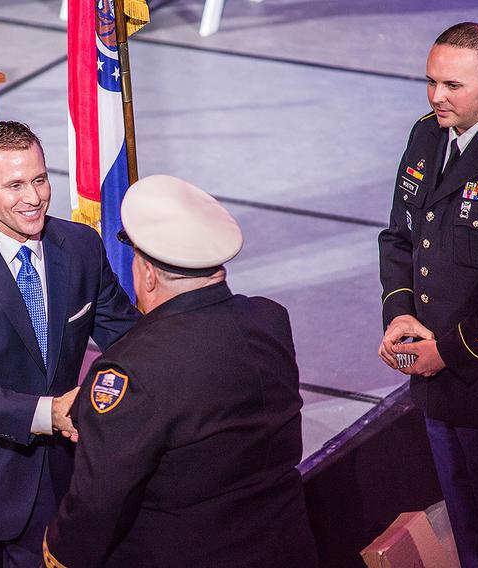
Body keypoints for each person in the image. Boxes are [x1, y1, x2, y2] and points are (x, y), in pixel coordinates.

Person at [43, 175, 318, 568]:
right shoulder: (269, 320)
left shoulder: (131, 370)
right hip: (283, 547)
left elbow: (98, 502)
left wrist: (57, 554)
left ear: (149, 274)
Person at [0, 121, 139, 567]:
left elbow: (128, 339)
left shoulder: (80, 247)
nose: (33, 198)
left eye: (39, 179)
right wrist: (48, 413)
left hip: (56, 480)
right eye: (14, 185)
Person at [378, 22, 478, 568]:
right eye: (430, 82)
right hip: (434, 386)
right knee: (466, 529)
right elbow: (400, 237)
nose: (437, 96)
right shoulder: (425, 134)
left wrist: (449, 352)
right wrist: (398, 317)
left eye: (452, 85)